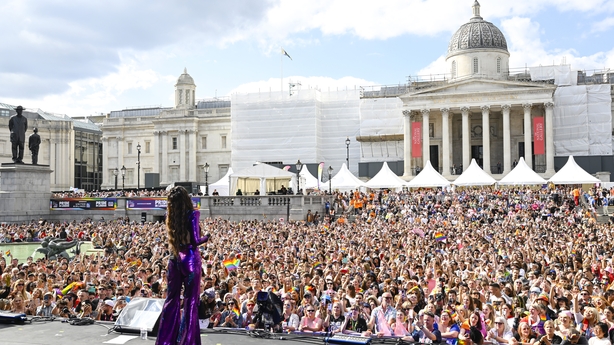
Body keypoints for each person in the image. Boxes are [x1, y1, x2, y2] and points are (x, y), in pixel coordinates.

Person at [156, 186, 211, 345]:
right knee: (191, 301)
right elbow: (195, 240)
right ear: (186, 198)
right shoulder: (193, 214)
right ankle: (188, 341)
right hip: (190, 260)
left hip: (174, 258)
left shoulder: (171, 216)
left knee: (171, 299)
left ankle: (165, 341)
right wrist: (206, 236)